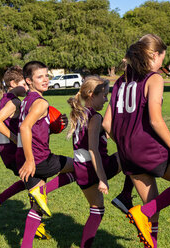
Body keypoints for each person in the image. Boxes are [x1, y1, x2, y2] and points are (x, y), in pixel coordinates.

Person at [102, 34, 170, 248]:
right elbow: (155, 120)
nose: (163, 62)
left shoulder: (120, 82)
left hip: (127, 152)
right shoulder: (154, 78)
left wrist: (125, 144)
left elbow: (107, 124)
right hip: (148, 149)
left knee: (153, 210)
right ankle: (142, 212)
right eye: (163, 57)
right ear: (155, 55)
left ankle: (147, 227)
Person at [0, 66, 50, 239]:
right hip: (13, 151)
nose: (26, 88)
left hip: (7, 152)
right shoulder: (15, 101)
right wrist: (15, 138)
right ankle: (0, 200)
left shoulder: (4, 100)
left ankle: (37, 225)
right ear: (13, 83)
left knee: (32, 181)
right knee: (36, 181)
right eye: (23, 84)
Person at [67, 76, 134, 247]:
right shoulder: (95, 117)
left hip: (80, 169)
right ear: (91, 94)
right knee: (132, 155)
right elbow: (93, 149)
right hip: (96, 168)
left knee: (97, 210)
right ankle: (126, 196)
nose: (105, 99)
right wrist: (102, 179)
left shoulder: (80, 113)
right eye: (103, 95)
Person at [17, 61, 76, 248]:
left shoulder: (26, 100)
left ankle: (26, 245)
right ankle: (41, 191)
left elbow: (33, 128)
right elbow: (25, 127)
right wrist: (30, 160)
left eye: (46, 75)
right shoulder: (41, 102)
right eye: (39, 77)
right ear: (29, 81)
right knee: (81, 167)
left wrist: (53, 126)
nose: (45, 80)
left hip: (28, 158)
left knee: (37, 208)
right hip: (39, 159)